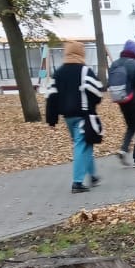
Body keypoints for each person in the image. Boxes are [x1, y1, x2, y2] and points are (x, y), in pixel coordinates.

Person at [47, 41, 104, 193]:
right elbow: (97, 91)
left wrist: (51, 119)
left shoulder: (58, 72)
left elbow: (51, 96)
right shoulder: (84, 71)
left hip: (67, 117)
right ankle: (77, 182)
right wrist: (93, 103)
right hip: (83, 115)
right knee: (82, 145)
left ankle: (93, 176)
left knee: (86, 143)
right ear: (81, 53)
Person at [109, 39, 135, 168]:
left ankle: (123, 149)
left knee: (130, 126)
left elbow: (110, 81)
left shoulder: (115, 64)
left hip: (121, 99)